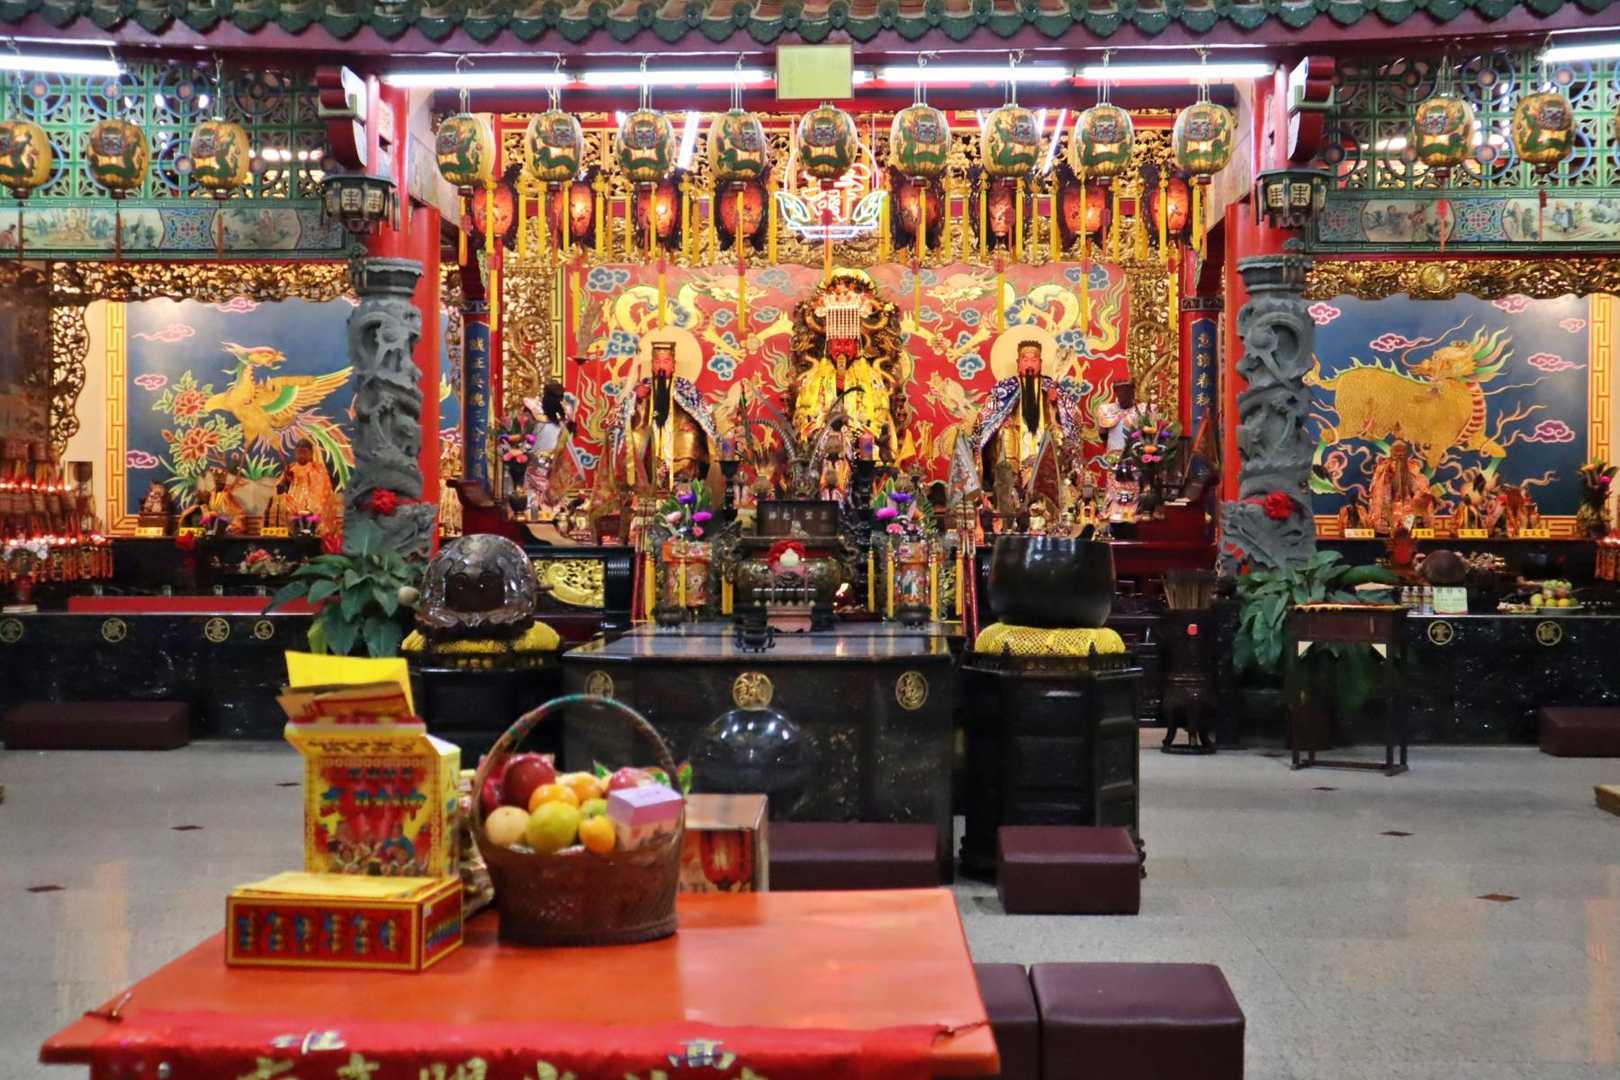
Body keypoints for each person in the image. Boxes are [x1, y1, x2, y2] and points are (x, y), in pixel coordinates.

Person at [276, 437, 338, 543]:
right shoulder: (291, 468)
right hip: (294, 510)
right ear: (295, 453)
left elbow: (323, 491)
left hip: (313, 511)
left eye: (304, 452)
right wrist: (285, 481)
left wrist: (311, 507)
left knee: (315, 514)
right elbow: (279, 490)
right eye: (298, 452)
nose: (301, 455)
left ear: (311, 453)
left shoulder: (318, 469)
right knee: (286, 510)